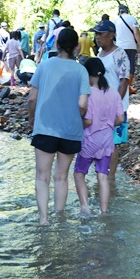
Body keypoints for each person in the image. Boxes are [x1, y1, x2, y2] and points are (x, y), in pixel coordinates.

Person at [27, 27, 90, 225]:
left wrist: (32, 119)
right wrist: (76, 117)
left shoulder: (44, 65)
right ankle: (59, 216)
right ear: (77, 48)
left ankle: (44, 219)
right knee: (61, 177)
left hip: (45, 128)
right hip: (70, 130)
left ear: (57, 44)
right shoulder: (81, 70)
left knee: (42, 176)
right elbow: (82, 104)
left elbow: (32, 98)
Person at [74, 57, 124, 217]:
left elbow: (87, 121)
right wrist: (108, 124)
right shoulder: (114, 93)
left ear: (88, 75)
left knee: (79, 173)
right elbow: (121, 119)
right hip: (107, 140)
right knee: (103, 176)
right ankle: (104, 212)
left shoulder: (88, 94)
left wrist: (76, 125)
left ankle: (85, 208)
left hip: (90, 140)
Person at [93, 19, 130, 184]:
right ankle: (101, 175)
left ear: (112, 35)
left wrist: (116, 104)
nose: (97, 37)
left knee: (112, 142)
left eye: (101, 34)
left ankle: (111, 178)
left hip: (114, 106)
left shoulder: (119, 54)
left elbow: (124, 81)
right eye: (96, 33)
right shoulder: (99, 54)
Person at [113, 4, 140, 94]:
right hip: (130, 46)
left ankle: (120, 87)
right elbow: (136, 33)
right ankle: (128, 87)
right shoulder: (132, 19)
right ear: (127, 10)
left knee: (120, 67)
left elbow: (115, 35)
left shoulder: (115, 21)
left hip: (119, 46)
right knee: (130, 67)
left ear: (119, 11)